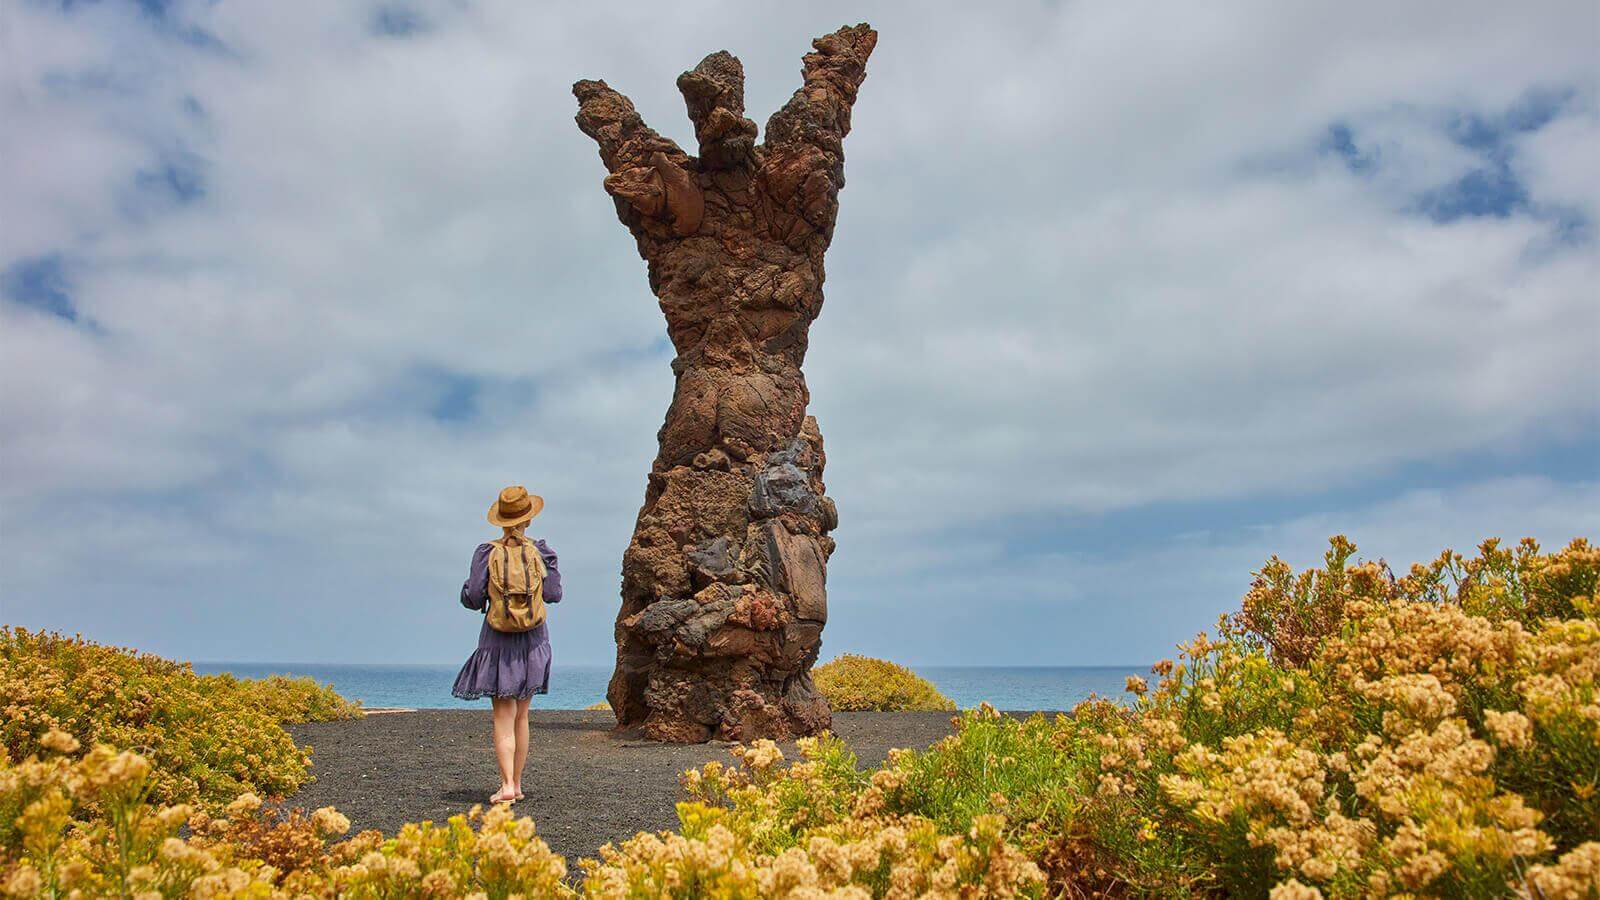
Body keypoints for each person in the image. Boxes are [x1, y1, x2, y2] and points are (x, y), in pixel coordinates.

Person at [452, 485, 562, 804]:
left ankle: (507, 785)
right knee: (521, 716)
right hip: (533, 640)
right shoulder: (542, 551)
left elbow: (472, 598)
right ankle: (518, 782)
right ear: (528, 518)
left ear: (500, 520)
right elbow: (554, 595)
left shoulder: (486, 552)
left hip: (497, 640)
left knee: (502, 716)